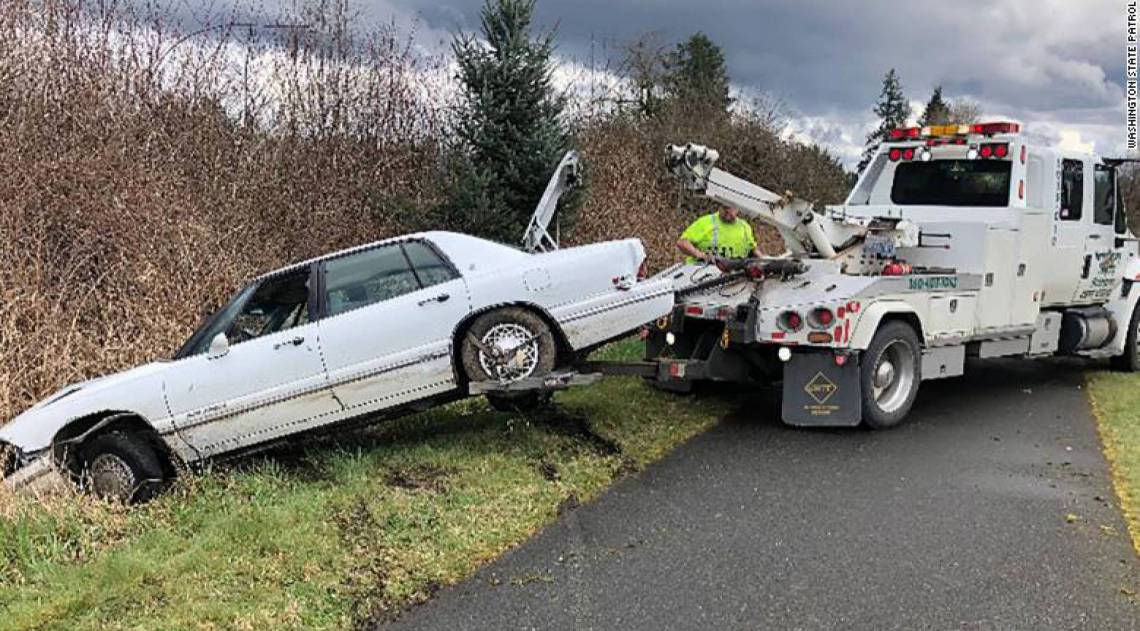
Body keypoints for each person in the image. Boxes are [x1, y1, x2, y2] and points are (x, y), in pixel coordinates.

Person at [676, 204, 762, 264]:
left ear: (737, 209)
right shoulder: (706, 222)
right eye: (724, 208)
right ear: (719, 207)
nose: (727, 211)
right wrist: (700, 255)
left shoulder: (744, 227)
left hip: (733, 274)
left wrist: (764, 260)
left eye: (730, 208)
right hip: (701, 272)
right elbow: (682, 243)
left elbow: (752, 249)